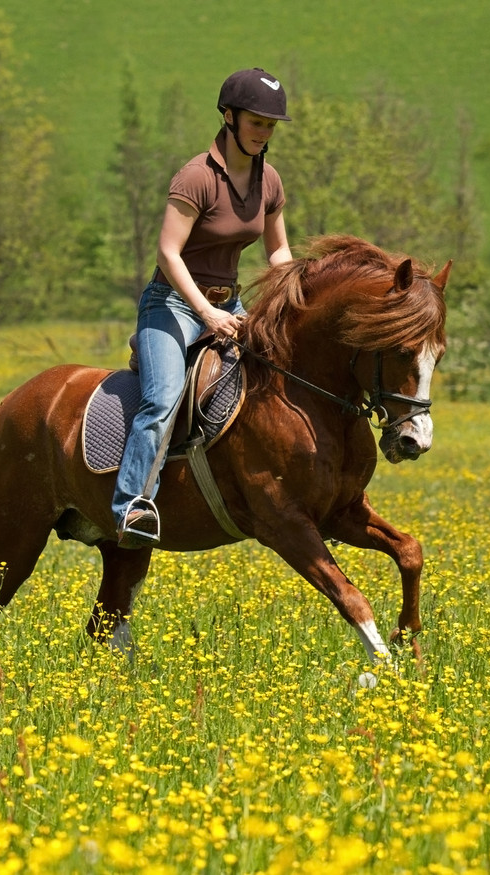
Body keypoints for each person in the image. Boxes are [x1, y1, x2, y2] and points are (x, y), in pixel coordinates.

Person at [112, 68, 294, 547]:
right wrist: (207, 314)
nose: (263, 133)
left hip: (230, 304)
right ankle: (132, 504)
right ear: (229, 117)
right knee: (163, 398)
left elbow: (278, 253)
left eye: (270, 126)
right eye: (256, 122)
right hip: (172, 302)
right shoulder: (196, 177)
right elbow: (168, 254)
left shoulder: (268, 180)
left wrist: (287, 296)